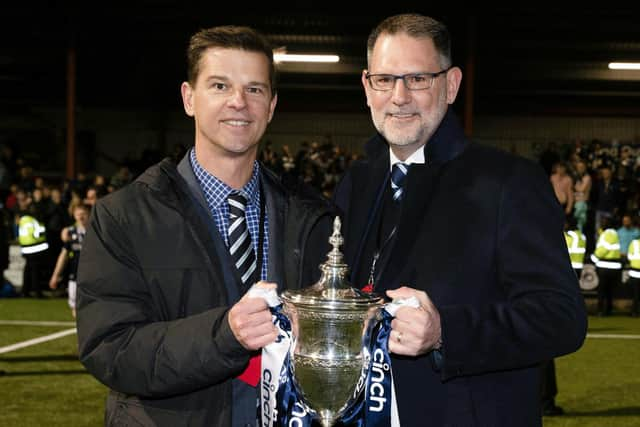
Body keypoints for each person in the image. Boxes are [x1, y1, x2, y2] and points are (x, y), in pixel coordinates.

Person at [333, 13, 587, 426]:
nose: (399, 96)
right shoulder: (356, 183)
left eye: (418, 79)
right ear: (367, 87)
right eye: (385, 79)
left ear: (450, 85)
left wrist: (446, 332)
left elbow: (562, 318)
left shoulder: (509, 182)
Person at [75, 25, 334, 427]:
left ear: (271, 105)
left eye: (255, 89)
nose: (238, 102)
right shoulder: (123, 216)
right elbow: (110, 349)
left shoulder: (312, 216)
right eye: (219, 85)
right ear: (188, 98)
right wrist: (224, 334)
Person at [48, 203, 90, 318]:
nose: (81, 217)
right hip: (75, 275)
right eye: (78, 214)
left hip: (94, 276)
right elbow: (63, 255)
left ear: (89, 214)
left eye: (83, 214)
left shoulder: (96, 232)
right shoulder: (71, 233)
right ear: (74, 216)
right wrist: (55, 275)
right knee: (75, 307)